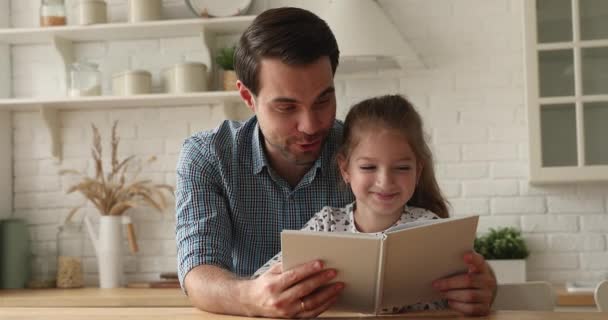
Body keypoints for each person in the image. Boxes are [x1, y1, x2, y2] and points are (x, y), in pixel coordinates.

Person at [175, 7, 497, 319]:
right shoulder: (209, 156)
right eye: (287, 107)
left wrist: (481, 285)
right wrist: (252, 297)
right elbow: (198, 273)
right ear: (248, 98)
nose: (311, 125)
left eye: (323, 100)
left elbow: (441, 253)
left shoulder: (367, 152)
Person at [253, 94, 454, 313]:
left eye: (402, 168)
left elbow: (461, 297)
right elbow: (261, 282)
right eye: (368, 167)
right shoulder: (326, 225)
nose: (385, 181)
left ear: (418, 171)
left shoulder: (432, 228)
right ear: (345, 169)